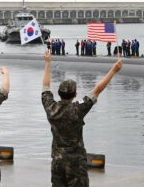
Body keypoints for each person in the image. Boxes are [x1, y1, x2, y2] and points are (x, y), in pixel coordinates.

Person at [42, 51, 122, 186]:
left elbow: (45, 87)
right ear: (75, 94)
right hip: (76, 162)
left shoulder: (51, 108)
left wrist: (47, 62)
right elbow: (97, 90)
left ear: (59, 93)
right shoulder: (78, 109)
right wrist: (114, 70)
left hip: (57, 161)